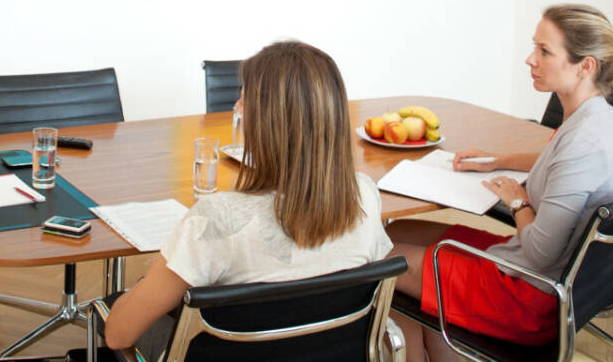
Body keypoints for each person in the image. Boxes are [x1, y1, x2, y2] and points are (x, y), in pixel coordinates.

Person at [387, 4, 613, 361]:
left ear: (585, 66)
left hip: (526, 296)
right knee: (396, 230)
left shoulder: (585, 145)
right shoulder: (597, 119)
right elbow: (556, 162)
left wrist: (518, 202)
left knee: (382, 260)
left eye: (545, 51)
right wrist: (497, 162)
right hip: (526, 268)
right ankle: (430, 341)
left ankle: (421, 344)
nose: (530, 59)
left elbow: (542, 254)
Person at [101, 40, 394, 355]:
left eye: (243, 99)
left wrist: (158, 270)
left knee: (111, 308)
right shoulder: (363, 195)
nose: (236, 107)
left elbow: (119, 335)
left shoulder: (218, 217)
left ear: (266, 121)